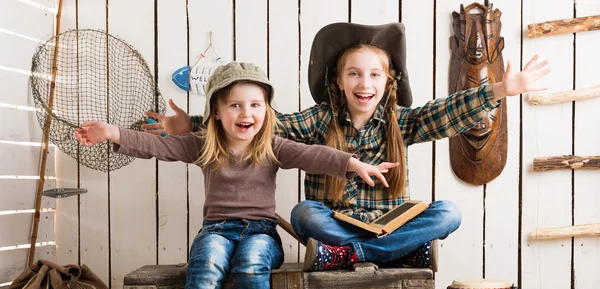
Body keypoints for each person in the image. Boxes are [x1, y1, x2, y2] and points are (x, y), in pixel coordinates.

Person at [74, 62, 393, 289]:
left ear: (266, 111)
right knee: (207, 260)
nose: (247, 113)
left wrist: (353, 163)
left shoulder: (272, 146)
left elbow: (312, 154)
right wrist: (112, 132)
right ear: (216, 111)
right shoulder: (203, 146)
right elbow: (158, 146)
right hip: (216, 230)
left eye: (255, 105)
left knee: (251, 262)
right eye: (236, 105)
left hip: (261, 233)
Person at [143, 23, 549, 272]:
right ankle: (397, 254)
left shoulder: (401, 122)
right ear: (338, 80)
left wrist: (500, 89)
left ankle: (352, 255)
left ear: (387, 83)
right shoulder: (319, 121)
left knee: (450, 212)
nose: (364, 83)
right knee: (304, 214)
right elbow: (260, 124)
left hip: (387, 221)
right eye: (354, 73)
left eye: (374, 74)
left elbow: (446, 113)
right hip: (332, 223)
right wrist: (192, 124)